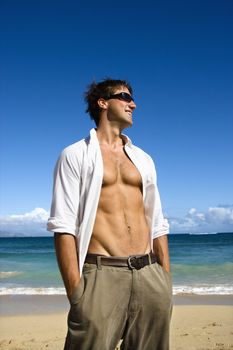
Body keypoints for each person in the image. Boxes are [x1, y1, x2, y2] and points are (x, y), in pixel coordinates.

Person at [47, 78, 172, 350]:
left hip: (149, 272)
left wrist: (164, 279)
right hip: (102, 274)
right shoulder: (75, 155)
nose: (133, 104)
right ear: (102, 103)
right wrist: (77, 295)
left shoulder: (143, 159)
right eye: (125, 97)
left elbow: (158, 222)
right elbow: (64, 225)